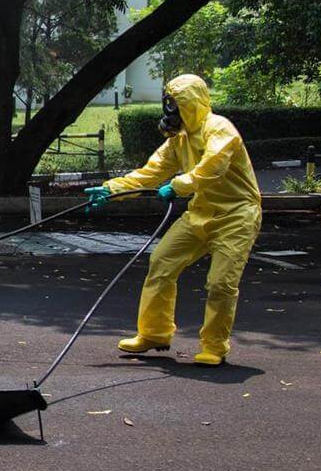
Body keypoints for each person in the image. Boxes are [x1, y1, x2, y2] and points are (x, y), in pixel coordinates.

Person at [84, 74, 262, 366]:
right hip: (201, 211)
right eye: (168, 106)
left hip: (237, 214)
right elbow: (149, 173)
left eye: (175, 105)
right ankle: (154, 333)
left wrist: (178, 186)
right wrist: (111, 189)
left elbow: (213, 166)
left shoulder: (220, 129)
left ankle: (214, 347)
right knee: (162, 262)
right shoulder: (178, 140)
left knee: (220, 283)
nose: (170, 113)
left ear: (188, 104)